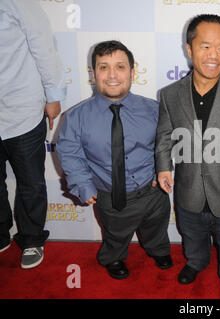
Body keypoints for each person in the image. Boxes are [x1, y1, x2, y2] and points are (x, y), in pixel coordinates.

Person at [156, 14, 220, 299]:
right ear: (189, 49)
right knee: (192, 235)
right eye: (205, 46)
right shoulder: (169, 95)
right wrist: (164, 167)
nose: (215, 55)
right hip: (188, 188)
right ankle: (196, 262)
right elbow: (164, 136)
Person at [57, 40, 172, 279]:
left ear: (132, 71)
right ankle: (114, 257)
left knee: (156, 228)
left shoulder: (153, 109)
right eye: (103, 67)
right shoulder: (76, 117)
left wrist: (158, 173)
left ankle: (158, 250)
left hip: (152, 192)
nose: (112, 75)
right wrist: (83, 185)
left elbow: (167, 144)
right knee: (115, 234)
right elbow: (70, 153)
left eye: (120, 66)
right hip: (110, 195)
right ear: (93, 73)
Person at [0, 0, 66, 269]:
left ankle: (31, 239)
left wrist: (53, 95)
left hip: (22, 109)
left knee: (31, 183)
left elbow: (44, 48)